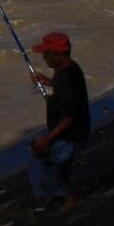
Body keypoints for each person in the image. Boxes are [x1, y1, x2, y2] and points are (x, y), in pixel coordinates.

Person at [28, 32, 91, 211]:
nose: (44, 57)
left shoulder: (67, 78)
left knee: (45, 162)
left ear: (56, 55)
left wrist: (48, 138)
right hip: (69, 133)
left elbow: (70, 116)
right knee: (57, 167)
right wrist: (48, 82)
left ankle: (63, 199)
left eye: (46, 54)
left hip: (70, 135)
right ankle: (60, 197)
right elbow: (61, 91)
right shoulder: (67, 71)